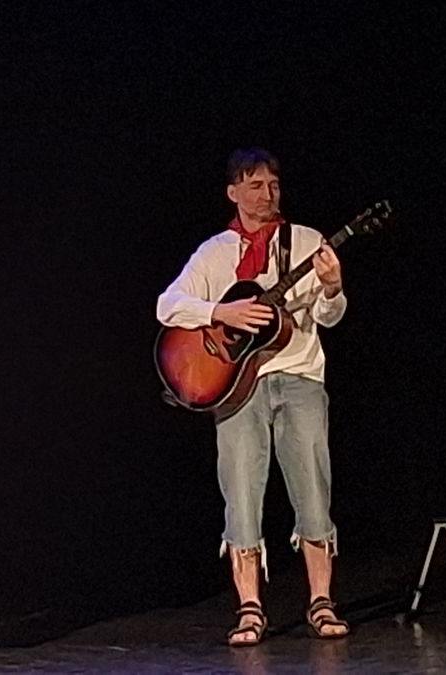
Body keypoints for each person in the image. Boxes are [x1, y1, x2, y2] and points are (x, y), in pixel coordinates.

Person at [156, 148, 350, 646]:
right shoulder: (215, 252)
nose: (268, 194)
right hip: (238, 387)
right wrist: (222, 313)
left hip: (300, 376)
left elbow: (328, 317)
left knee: (313, 487)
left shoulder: (306, 241)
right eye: (256, 185)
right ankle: (249, 608)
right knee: (241, 493)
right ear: (234, 192)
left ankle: (321, 601)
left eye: (274, 185)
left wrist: (332, 288)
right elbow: (168, 305)